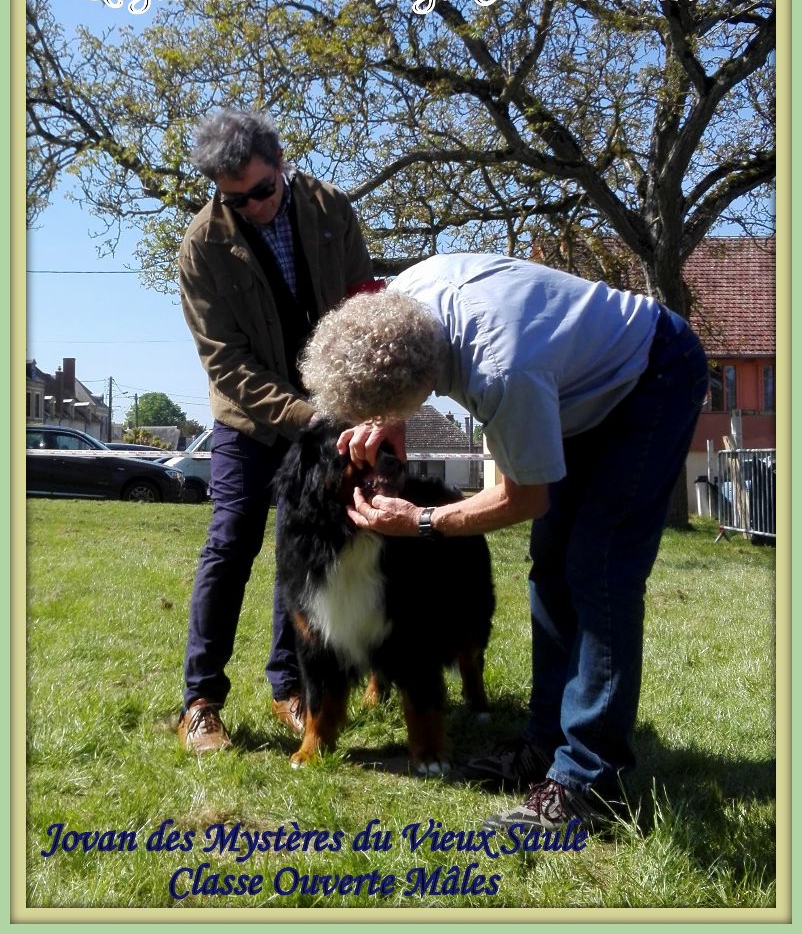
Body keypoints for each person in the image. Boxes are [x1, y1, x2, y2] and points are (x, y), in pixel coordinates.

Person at [299, 252, 708, 832]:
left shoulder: (501, 373)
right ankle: (546, 744)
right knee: (552, 563)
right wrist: (384, 422)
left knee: (598, 568)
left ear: (419, 389)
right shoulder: (404, 299)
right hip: (573, 383)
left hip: (654, 376)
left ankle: (588, 785)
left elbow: (526, 499)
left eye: (389, 414)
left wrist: (421, 521)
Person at [176, 108, 379, 752]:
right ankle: (200, 702)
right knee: (233, 540)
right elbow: (226, 363)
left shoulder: (329, 210)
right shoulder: (202, 246)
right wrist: (301, 414)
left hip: (329, 410)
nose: (253, 206)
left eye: (262, 191)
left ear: (280, 165)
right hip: (249, 420)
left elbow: (362, 304)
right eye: (235, 198)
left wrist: (359, 402)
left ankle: (289, 687)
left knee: (306, 551)